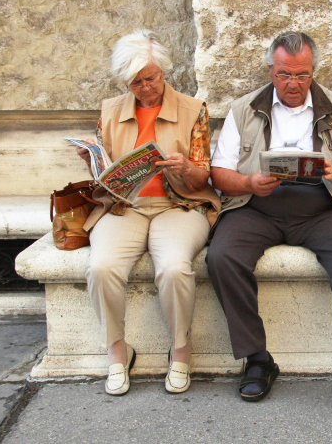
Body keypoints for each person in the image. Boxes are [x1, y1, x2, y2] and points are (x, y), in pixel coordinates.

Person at [206, 31, 332, 421]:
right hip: (257, 206)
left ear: (313, 71)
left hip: (322, 209)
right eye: (285, 75)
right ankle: (258, 359)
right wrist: (248, 182)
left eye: (302, 75)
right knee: (221, 256)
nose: (293, 84)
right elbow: (219, 173)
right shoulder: (244, 109)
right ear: (271, 70)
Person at [75, 29, 220, 396]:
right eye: (135, 82)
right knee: (101, 267)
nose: (145, 87)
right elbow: (106, 175)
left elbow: (204, 174)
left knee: (173, 267)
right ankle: (118, 353)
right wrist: (94, 162)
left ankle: (181, 350)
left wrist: (185, 167)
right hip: (126, 206)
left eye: (151, 78)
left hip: (179, 205)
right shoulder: (110, 110)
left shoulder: (192, 109)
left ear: (163, 72)